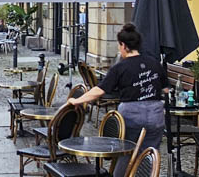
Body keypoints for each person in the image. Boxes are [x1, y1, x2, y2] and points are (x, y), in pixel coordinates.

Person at [68, 23, 167, 153]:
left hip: (132, 116)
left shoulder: (120, 67)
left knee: (127, 153)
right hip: (156, 115)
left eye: (119, 46)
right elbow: (165, 89)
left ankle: (123, 174)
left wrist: (76, 100)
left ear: (123, 45)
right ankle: (149, 173)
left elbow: (99, 90)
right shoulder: (154, 63)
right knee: (151, 154)